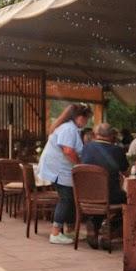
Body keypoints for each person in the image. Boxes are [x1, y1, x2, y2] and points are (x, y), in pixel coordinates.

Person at [38, 103, 92, 244]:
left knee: (70, 198)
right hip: (59, 169)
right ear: (80, 117)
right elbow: (68, 150)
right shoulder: (68, 129)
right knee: (66, 199)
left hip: (60, 168)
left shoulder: (70, 128)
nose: (87, 122)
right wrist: (80, 164)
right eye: (86, 119)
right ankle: (55, 233)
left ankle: (70, 230)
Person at [79, 123, 129, 249]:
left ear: (96, 135)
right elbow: (125, 172)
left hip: (87, 195)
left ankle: (94, 224)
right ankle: (109, 228)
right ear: (112, 136)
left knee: (102, 201)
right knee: (129, 200)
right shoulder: (117, 150)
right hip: (110, 195)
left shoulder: (86, 148)